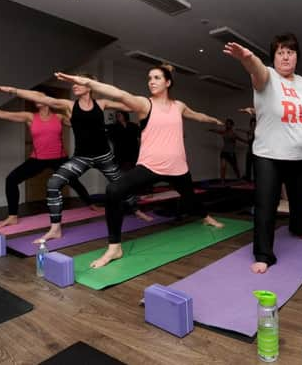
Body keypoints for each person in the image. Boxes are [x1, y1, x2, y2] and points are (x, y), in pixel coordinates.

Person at [54, 65, 225, 268]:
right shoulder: (145, 104)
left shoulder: (179, 105)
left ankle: (206, 217)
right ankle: (114, 247)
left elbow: (196, 115)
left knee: (190, 198)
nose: (151, 81)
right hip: (150, 166)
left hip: (178, 167)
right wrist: (88, 83)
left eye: (157, 77)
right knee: (113, 190)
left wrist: (212, 119)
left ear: (168, 82)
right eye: (149, 78)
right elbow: (120, 93)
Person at [0, 78, 152, 243]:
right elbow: (41, 98)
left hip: (104, 156)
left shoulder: (102, 103)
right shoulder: (69, 105)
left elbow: (130, 105)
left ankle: (136, 211)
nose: (74, 86)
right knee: (53, 184)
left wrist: (150, 102)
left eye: (78, 83)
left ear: (89, 86)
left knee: (120, 185)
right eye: (73, 84)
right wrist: (10, 90)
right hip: (81, 158)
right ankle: (55, 229)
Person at [224, 33, 302, 275]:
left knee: (299, 200)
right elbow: (256, 70)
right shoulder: (267, 78)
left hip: (301, 156)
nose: (286, 56)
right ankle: (264, 254)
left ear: (297, 56)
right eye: (280, 52)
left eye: (290, 52)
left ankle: (299, 229)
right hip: (270, 155)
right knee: (266, 205)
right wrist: (248, 58)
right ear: (273, 57)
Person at [0, 100, 100, 227]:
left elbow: (80, 124)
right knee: (11, 180)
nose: (35, 99)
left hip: (59, 158)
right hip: (37, 159)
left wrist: (74, 109)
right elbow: (2, 114)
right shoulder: (30, 117)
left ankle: (91, 205)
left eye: (39, 96)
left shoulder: (59, 117)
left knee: (74, 181)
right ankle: (12, 216)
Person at [209, 118, 245, 182]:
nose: (227, 125)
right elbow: (217, 131)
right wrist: (211, 130)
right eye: (226, 124)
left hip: (231, 153)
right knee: (223, 167)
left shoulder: (233, 134)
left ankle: (239, 178)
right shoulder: (224, 132)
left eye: (228, 124)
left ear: (231, 125)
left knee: (235, 167)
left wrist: (248, 142)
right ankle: (222, 181)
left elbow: (241, 139)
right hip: (224, 152)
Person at [236, 110, 257, 181]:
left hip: (256, 152)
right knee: (248, 166)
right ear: (250, 125)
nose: (253, 126)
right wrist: (237, 129)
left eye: (254, 124)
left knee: (255, 167)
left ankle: (256, 180)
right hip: (249, 151)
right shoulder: (249, 132)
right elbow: (243, 130)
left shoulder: (258, 132)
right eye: (252, 124)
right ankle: (248, 179)